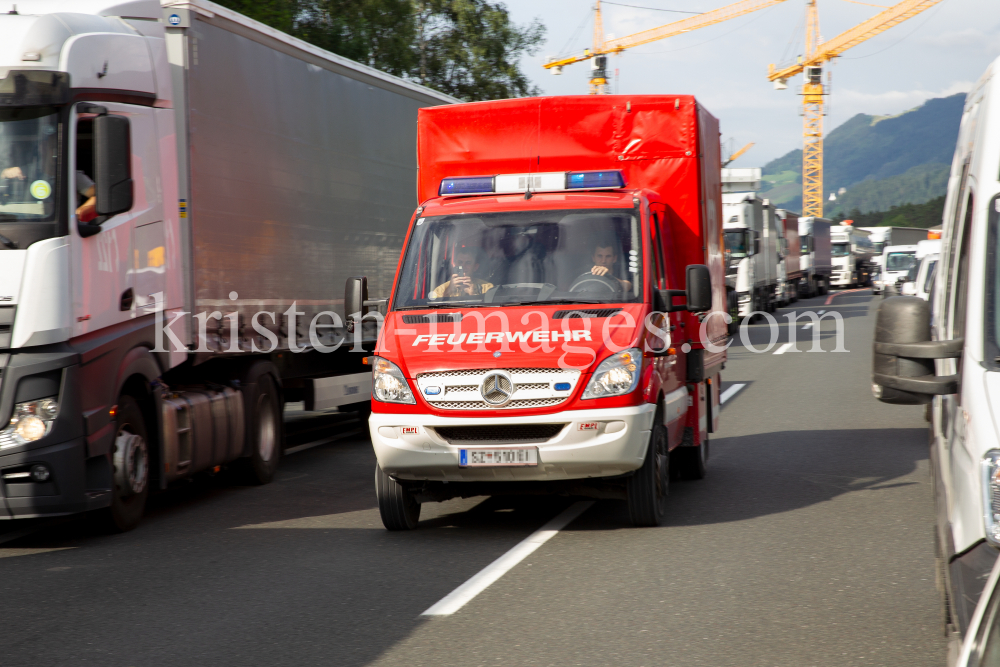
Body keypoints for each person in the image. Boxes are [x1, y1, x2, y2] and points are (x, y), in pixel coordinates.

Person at [1, 166, 96, 219]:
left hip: (67, 230)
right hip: (30, 224)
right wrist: (5, 172)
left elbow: (99, 196)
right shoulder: (28, 176)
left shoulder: (73, 176)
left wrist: (78, 214)